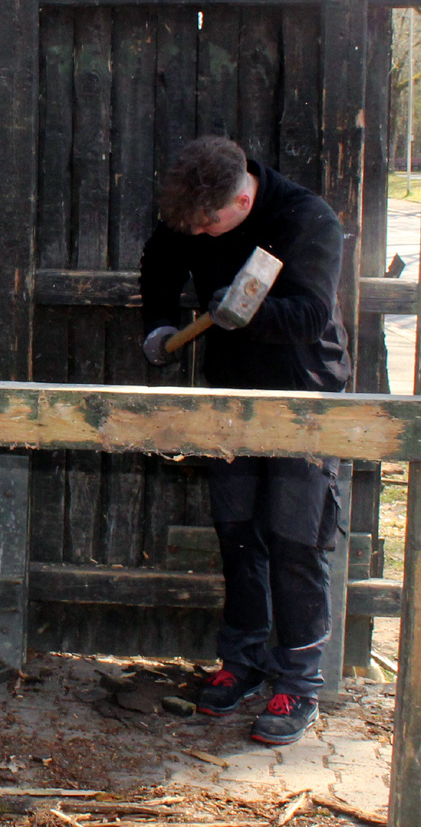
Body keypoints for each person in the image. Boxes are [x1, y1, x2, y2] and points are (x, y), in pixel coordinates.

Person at [139, 137, 350, 746]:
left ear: (242, 196)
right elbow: (160, 261)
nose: (201, 236)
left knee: (294, 541)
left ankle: (298, 684)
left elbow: (311, 315)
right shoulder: (194, 212)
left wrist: (245, 314)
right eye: (193, 227)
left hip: (302, 399)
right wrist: (159, 323)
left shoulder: (306, 219)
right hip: (230, 397)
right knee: (237, 536)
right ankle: (244, 662)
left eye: (211, 225)